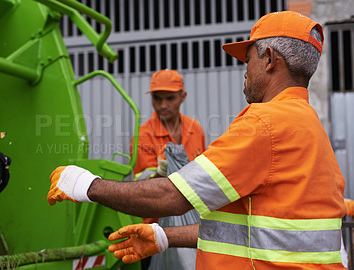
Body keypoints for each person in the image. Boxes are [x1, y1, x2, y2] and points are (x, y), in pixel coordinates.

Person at [47, 11, 346, 269]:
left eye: (247, 58)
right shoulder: (309, 125)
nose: (245, 71)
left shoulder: (264, 123)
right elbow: (248, 225)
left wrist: (85, 184)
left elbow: (173, 197)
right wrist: (165, 236)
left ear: (269, 59)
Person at [131, 69, 206, 181]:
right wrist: (160, 172)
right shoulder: (143, 135)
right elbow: (142, 184)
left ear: (183, 97)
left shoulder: (195, 128)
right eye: (157, 98)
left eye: (170, 98)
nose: (163, 105)